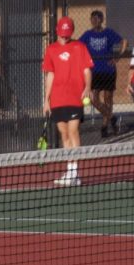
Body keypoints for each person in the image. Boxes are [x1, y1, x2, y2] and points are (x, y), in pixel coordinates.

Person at [41, 16, 93, 186]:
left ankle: (74, 172)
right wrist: (46, 99)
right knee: (64, 133)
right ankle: (70, 171)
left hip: (75, 97)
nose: (64, 37)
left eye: (67, 34)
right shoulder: (51, 50)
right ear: (57, 31)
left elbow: (87, 70)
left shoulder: (80, 47)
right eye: (62, 34)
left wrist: (87, 88)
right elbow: (50, 75)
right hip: (57, 98)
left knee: (73, 131)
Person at [77, 10, 124, 137]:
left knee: (108, 98)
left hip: (108, 70)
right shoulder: (87, 34)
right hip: (94, 71)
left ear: (101, 20)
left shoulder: (108, 33)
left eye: (97, 19)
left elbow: (123, 42)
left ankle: (104, 126)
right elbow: (78, 46)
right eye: (92, 19)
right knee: (94, 98)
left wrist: (118, 57)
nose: (94, 21)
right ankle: (111, 117)